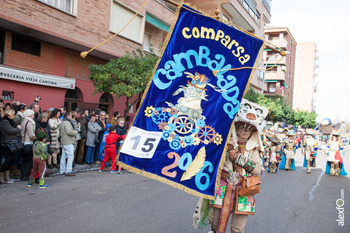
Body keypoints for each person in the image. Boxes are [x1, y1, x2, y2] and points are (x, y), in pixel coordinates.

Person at [193, 99, 268, 233]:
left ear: (252, 133)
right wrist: (227, 148)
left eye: (249, 129)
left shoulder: (254, 150)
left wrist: (236, 156)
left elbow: (257, 170)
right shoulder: (224, 145)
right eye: (242, 128)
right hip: (222, 188)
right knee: (216, 225)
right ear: (236, 129)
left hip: (244, 191)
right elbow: (212, 161)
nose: (245, 131)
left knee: (237, 229)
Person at [0, 109, 21, 184]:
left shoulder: (9, 121)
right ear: (9, 115)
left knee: (9, 160)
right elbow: (10, 131)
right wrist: (18, 128)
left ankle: (7, 177)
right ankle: (2, 177)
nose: (14, 115)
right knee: (7, 160)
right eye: (13, 114)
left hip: (10, 142)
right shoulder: (5, 122)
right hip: (7, 143)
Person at [59, 112, 78, 176]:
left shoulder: (63, 122)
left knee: (63, 156)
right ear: (68, 116)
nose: (71, 117)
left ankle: (62, 170)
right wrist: (75, 132)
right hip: (68, 141)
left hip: (64, 141)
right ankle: (68, 170)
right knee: (70, 156)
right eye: (70, 116)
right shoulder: (67, 123)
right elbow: (69, 132)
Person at [20, 109, 36, 181]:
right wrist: (36, 137)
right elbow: (31, 135)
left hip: (23, 142)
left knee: (24, 160)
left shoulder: (23, 121)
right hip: (28, 142)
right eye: (32, 114)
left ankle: (23, 175)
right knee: (28, 160)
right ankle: (25, 175)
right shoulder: (29, 122)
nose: (33, 116)